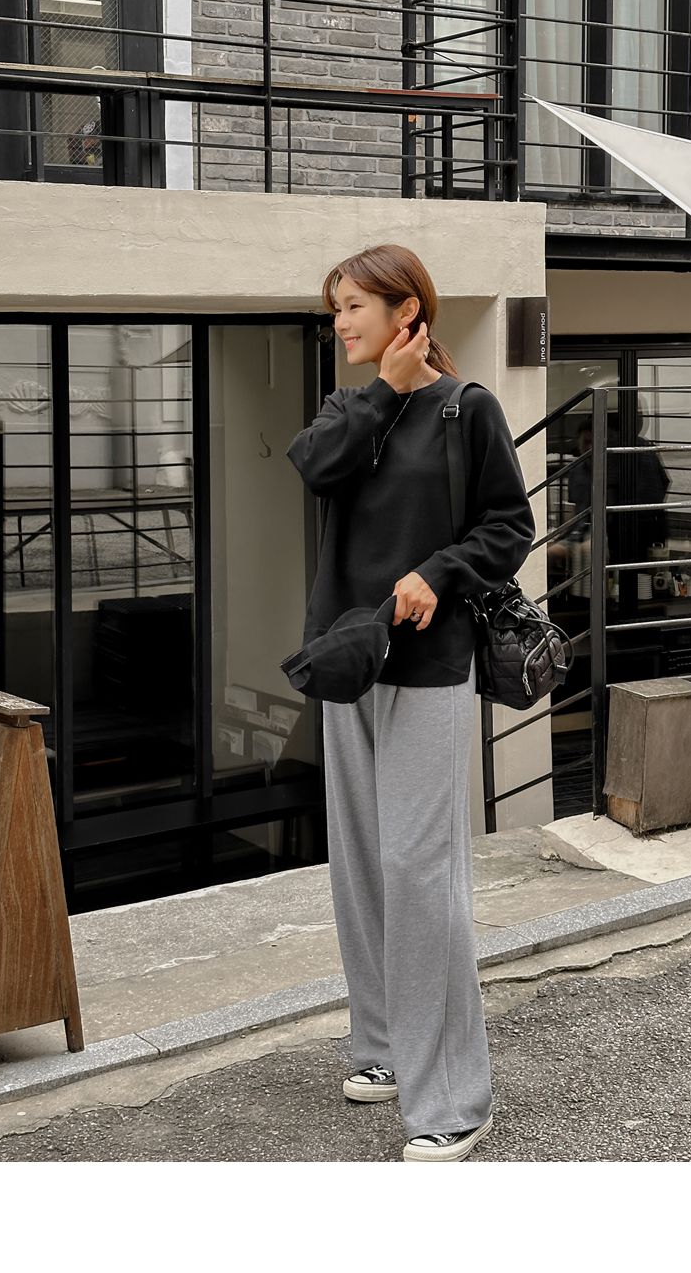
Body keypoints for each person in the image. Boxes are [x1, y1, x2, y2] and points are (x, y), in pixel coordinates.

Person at [285, 243, 535, 1161]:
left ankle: (456, 1098)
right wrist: (384, 391)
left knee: (419, 871)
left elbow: (509, 526)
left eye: (354, 305)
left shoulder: (469, 409)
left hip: (429, 668)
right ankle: (385, 1046)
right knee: (362, 866)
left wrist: (439, 570)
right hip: (348, 663)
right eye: (336, 308)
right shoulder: (348, 409)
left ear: (408, 311)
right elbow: (315, 466)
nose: (340, 322)